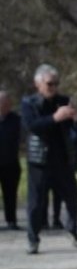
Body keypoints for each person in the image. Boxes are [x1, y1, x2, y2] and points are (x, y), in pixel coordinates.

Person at [21, 64, 77, 254]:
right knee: (36, 203)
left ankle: (71, 229)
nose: (53, 87)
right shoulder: (29, 103)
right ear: (38, 84)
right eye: (49, 83)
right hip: (39, 161)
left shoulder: (63, 101)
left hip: (62, 159)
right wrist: (55, 118)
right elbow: (33, 126)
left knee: (73, 196)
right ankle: (33, 239)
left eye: (56, 83)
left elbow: (76, 130)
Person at [0, 91, 21, 230]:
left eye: (7, 102)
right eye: (3, 102)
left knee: (10, 193)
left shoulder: (16, 119)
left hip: (11, 163)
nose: (5, 105)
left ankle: (11, 220)